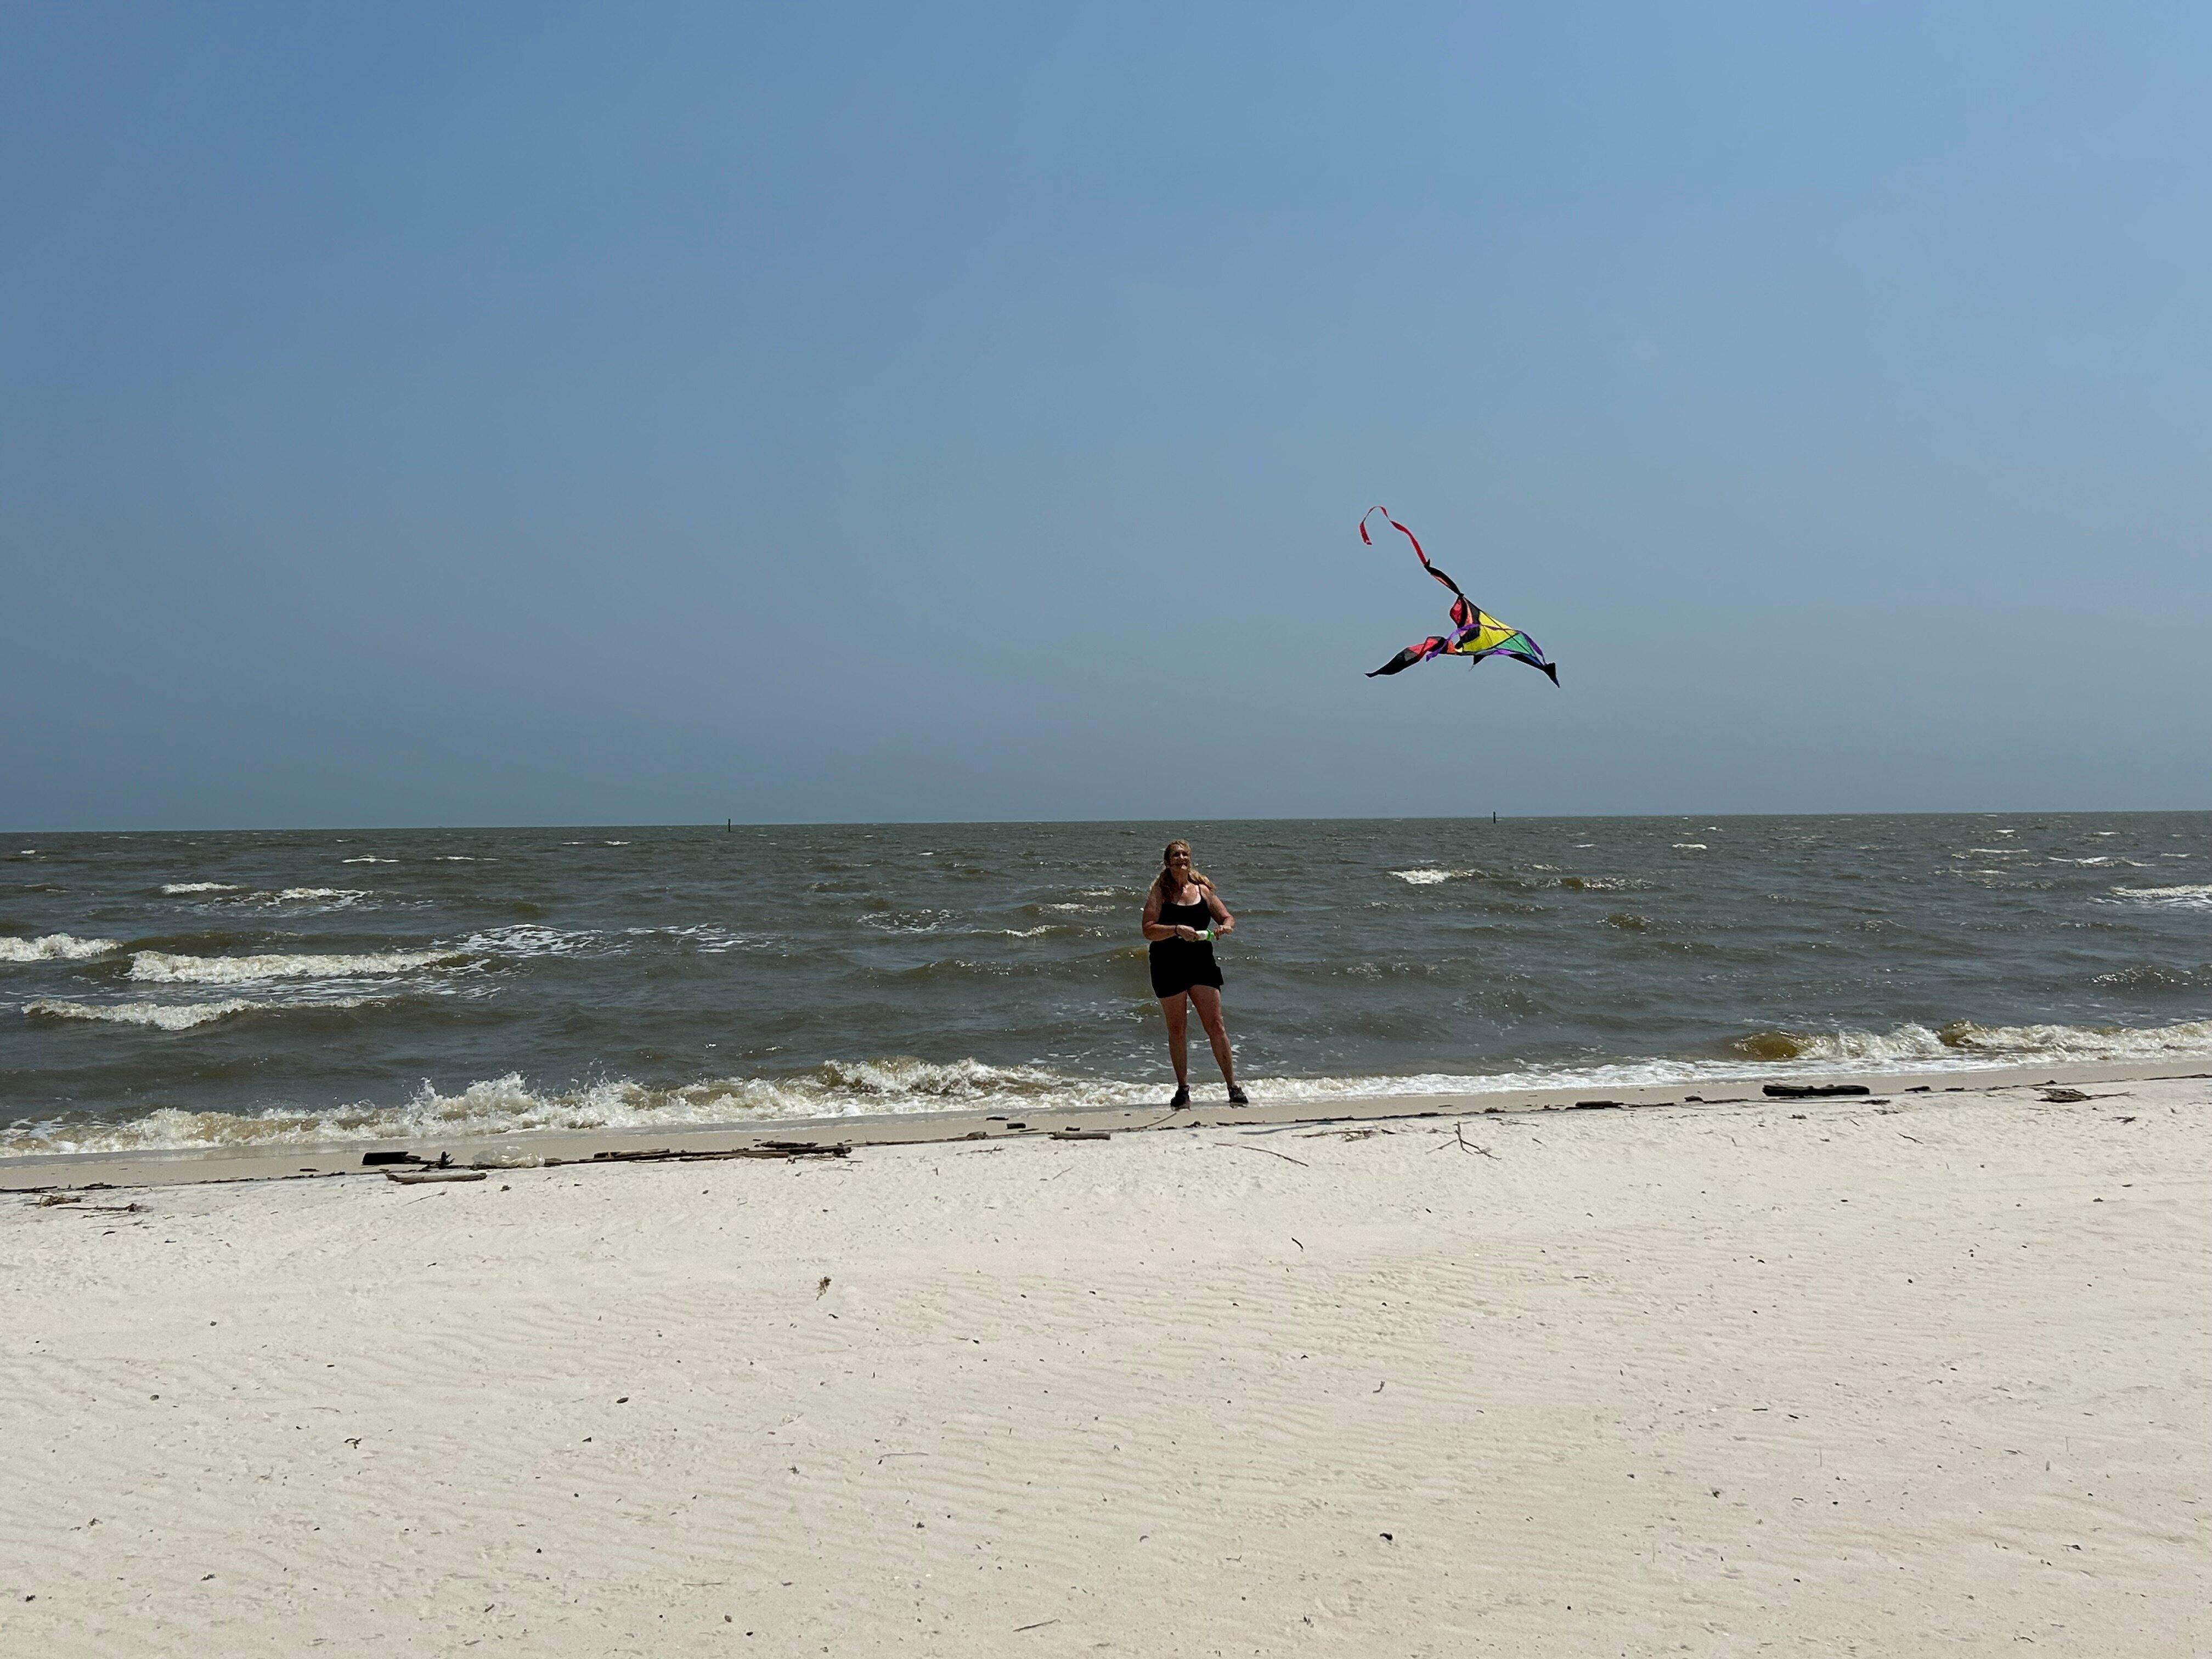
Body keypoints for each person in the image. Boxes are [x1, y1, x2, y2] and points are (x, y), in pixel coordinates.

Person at [1141, 839, 1248, 1108]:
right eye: (1175, 855)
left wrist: (1226, 927)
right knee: (1177, 1028)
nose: (1181, 859)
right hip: (1168, 964)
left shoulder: (1202, 890)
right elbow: (1148, 929)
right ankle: (1183, 1089)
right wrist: (1177, 929)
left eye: (1185, 854)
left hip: (1201, 962)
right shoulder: (1159, 892)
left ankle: (1232, 1086)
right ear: (1167, 862)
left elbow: (1227, 917)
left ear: (1190, 860)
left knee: (1216, 1025)